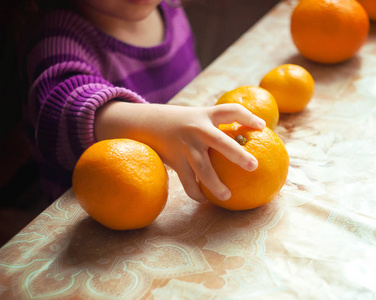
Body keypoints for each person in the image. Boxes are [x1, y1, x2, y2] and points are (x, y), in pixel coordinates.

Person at [17, 0, 266, 203]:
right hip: (103, 209)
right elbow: (58, 112)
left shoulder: (170, 8)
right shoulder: (54, 38)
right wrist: (162, 124)